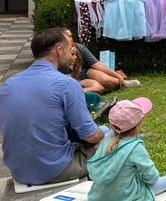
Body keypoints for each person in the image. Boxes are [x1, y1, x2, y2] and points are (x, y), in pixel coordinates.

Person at [0, 28, 104, 185]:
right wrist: (105, 132)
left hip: (18, 171)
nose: (72, 56)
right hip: (54, 170)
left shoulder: (9, 84)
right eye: (70, 51)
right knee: (115, 140)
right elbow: (91, 136)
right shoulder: (67, 84)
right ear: (59, 50)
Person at [87, 97, 166, 201]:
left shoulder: (105, 142)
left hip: (99, 199)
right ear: (138, 124)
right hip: (125, 198)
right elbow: (152, 178)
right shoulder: (135, 147)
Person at [63, 29, 139, 93]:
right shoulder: (58, 54)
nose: (71, 38)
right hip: (75, 79)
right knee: (99, 88)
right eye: (68, 36)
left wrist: (117, 76)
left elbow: (96, 64)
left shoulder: (79, 47)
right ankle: (94, 88)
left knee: (108, 81)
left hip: (86, 72)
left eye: (71, 36)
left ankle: (122, 83)